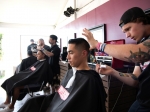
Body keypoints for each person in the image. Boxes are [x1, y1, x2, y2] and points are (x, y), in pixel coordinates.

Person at [82, 7, 150, 111]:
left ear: (141, 21)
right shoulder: (141, 42)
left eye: (128, 29)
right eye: (124, 31)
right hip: (143, 101)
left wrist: (97, 44)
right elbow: (136, 79)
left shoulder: (142, 47)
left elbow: (138, 52)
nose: (127, 35)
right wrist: (113, 72)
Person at [18, 38, 106, 112]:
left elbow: (90, 106)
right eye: (67, 53)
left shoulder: (91, 79)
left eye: (71, 53)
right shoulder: (69, 72)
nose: (67, 57)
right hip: (57, 105)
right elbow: (62, 94)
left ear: (83, 53)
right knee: (31, 102)